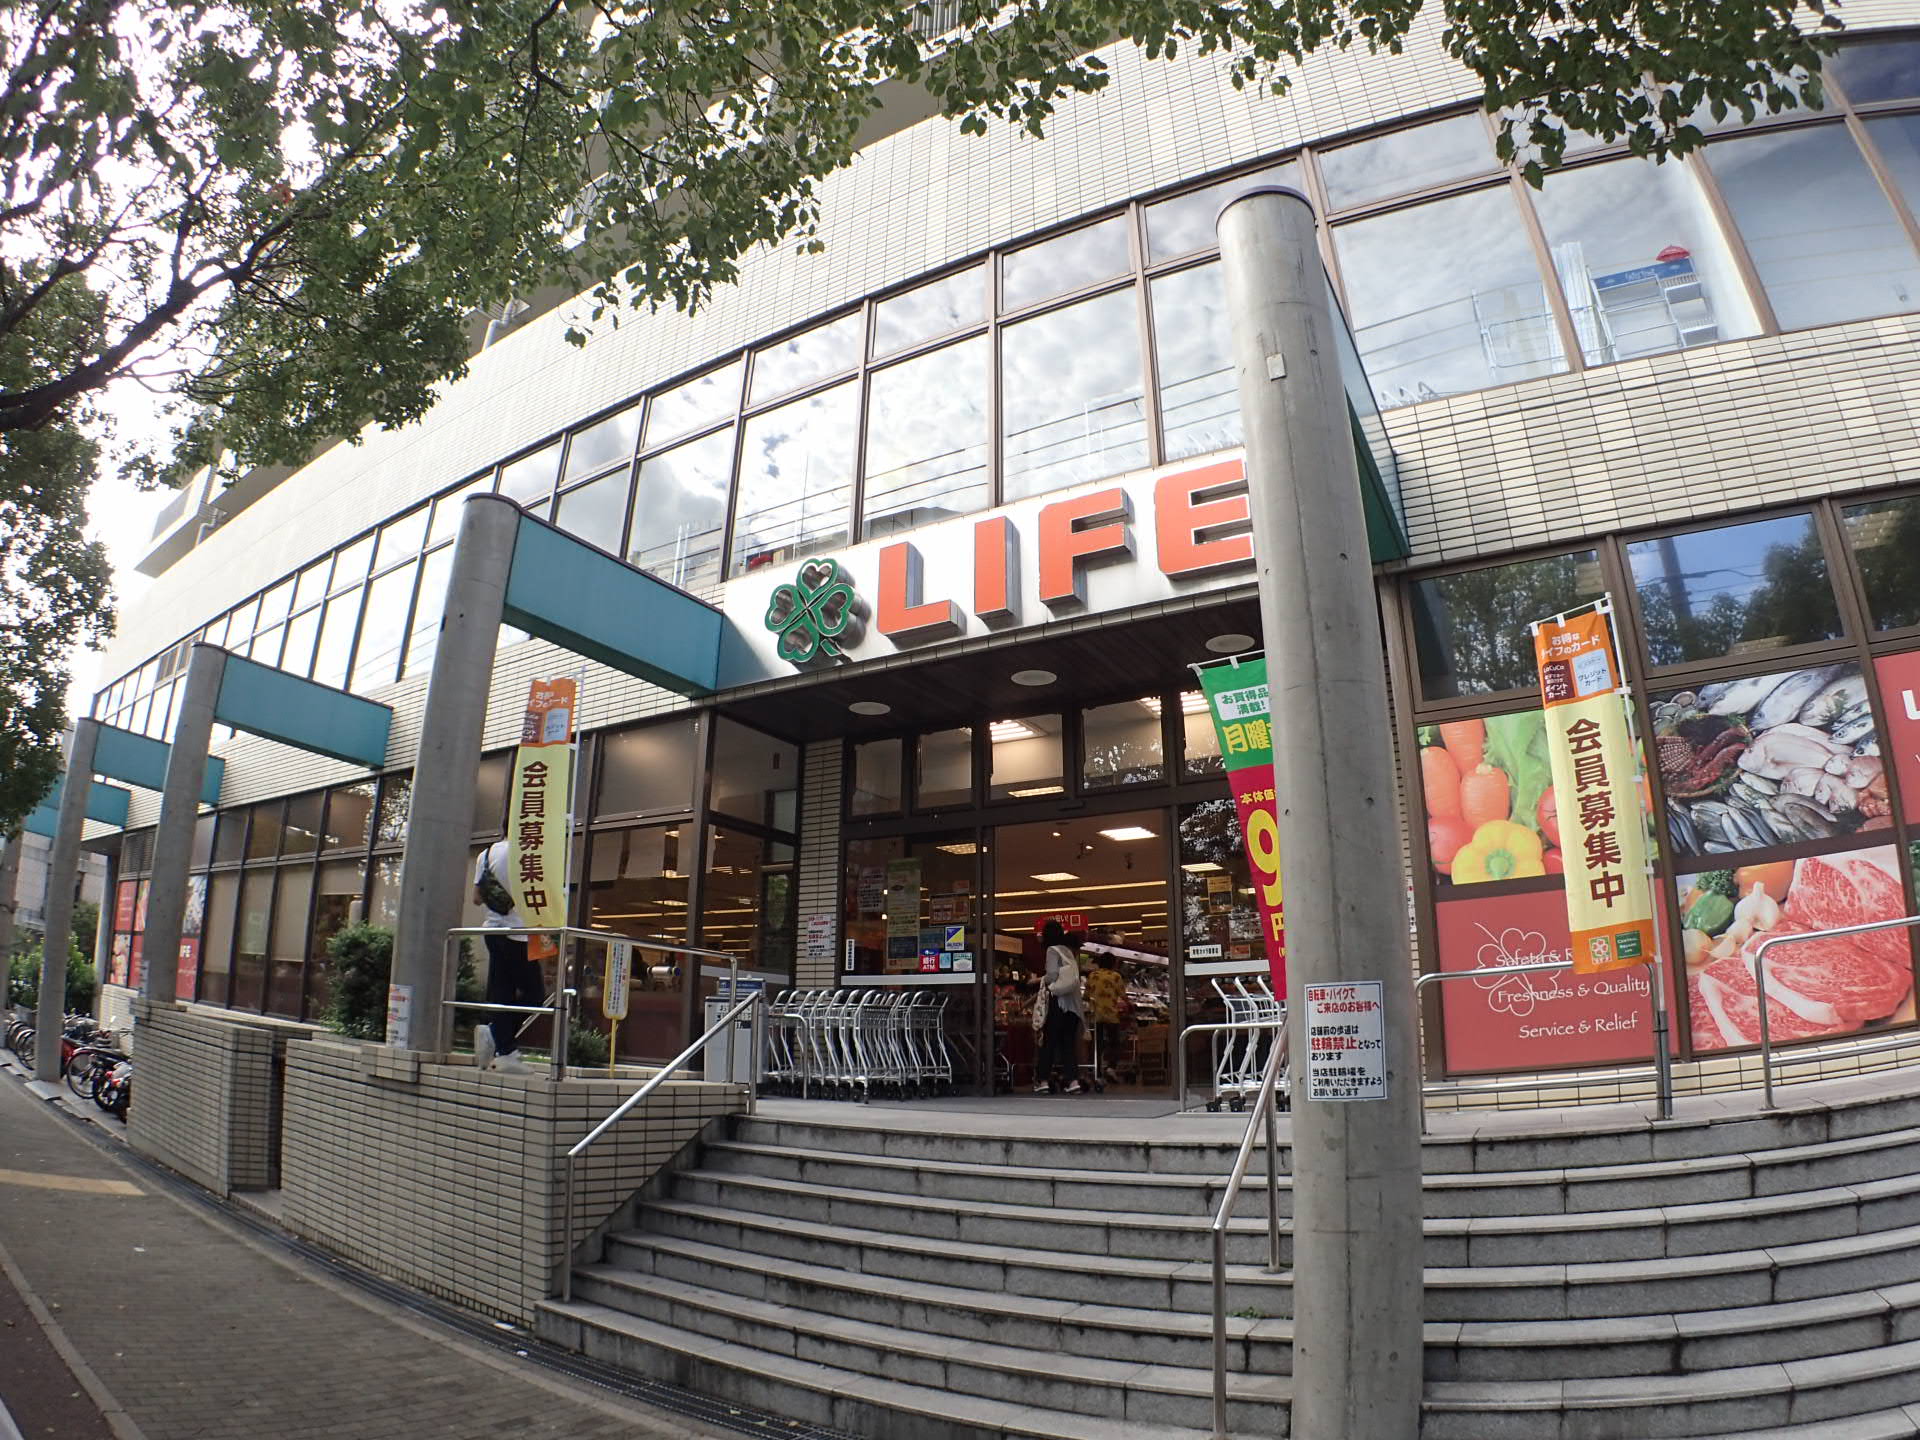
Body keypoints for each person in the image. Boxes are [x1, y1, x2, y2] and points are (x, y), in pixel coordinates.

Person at [472, 839, 540, 1073]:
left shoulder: (485, 854)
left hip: (492, 930)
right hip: (518, 933)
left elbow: (477, 898)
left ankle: (502, 1044)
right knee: (534, 995)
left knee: (501, 991)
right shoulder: (530, 852)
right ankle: (501, 1042)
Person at [1033, 920, 1085, 1095]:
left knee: (1049, 1041)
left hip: (1058, 1002)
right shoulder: (1068, 952)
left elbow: (1052, 975)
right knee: (1068, 1043)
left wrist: (1038, 980)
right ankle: (1073, 1081)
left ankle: (1043, 1080)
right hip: (1073, 1006)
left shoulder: (1052, 950)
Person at [1085, 951, 1126, 1086]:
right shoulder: (1116, 976)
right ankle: (1110, 1068)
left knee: (1097, 1044)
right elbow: (1123, 995)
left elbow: (1086, 995)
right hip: (1111, 1015)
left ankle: (1096, 1071)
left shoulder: (1092, 975)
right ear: (1113, 964)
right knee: (1115, 1042)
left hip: (1095, 1015)